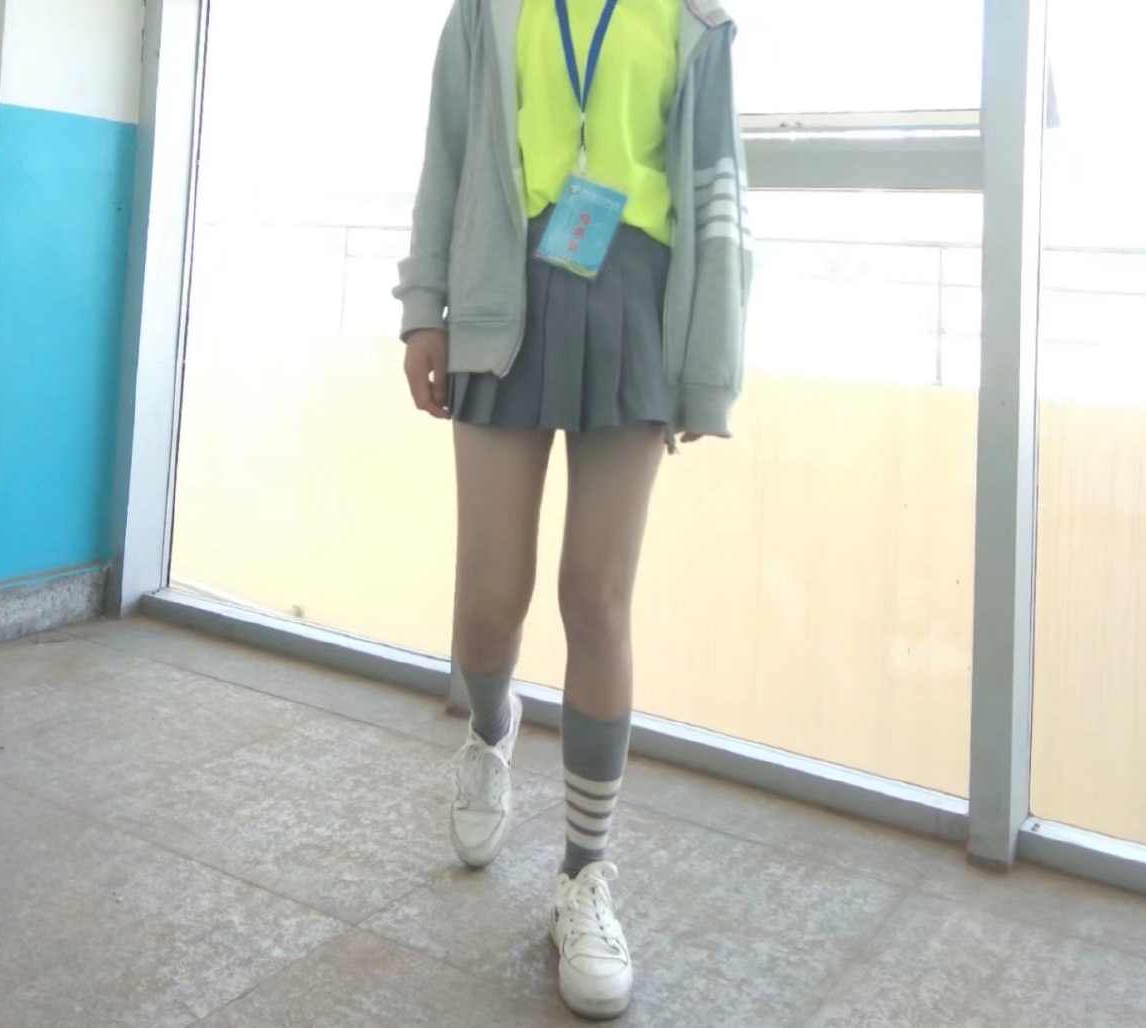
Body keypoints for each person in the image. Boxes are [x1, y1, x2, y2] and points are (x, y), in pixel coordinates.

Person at [394, 0, 750, 1018]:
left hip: (636, 302)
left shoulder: (695, 20)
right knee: (489, 599)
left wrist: (707, 365)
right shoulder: (486, 12)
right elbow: (448, 153)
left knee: (596, 597)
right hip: (501, 292)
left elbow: (718, 193)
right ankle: (490, 733)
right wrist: (422, 309)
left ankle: (584, 874)